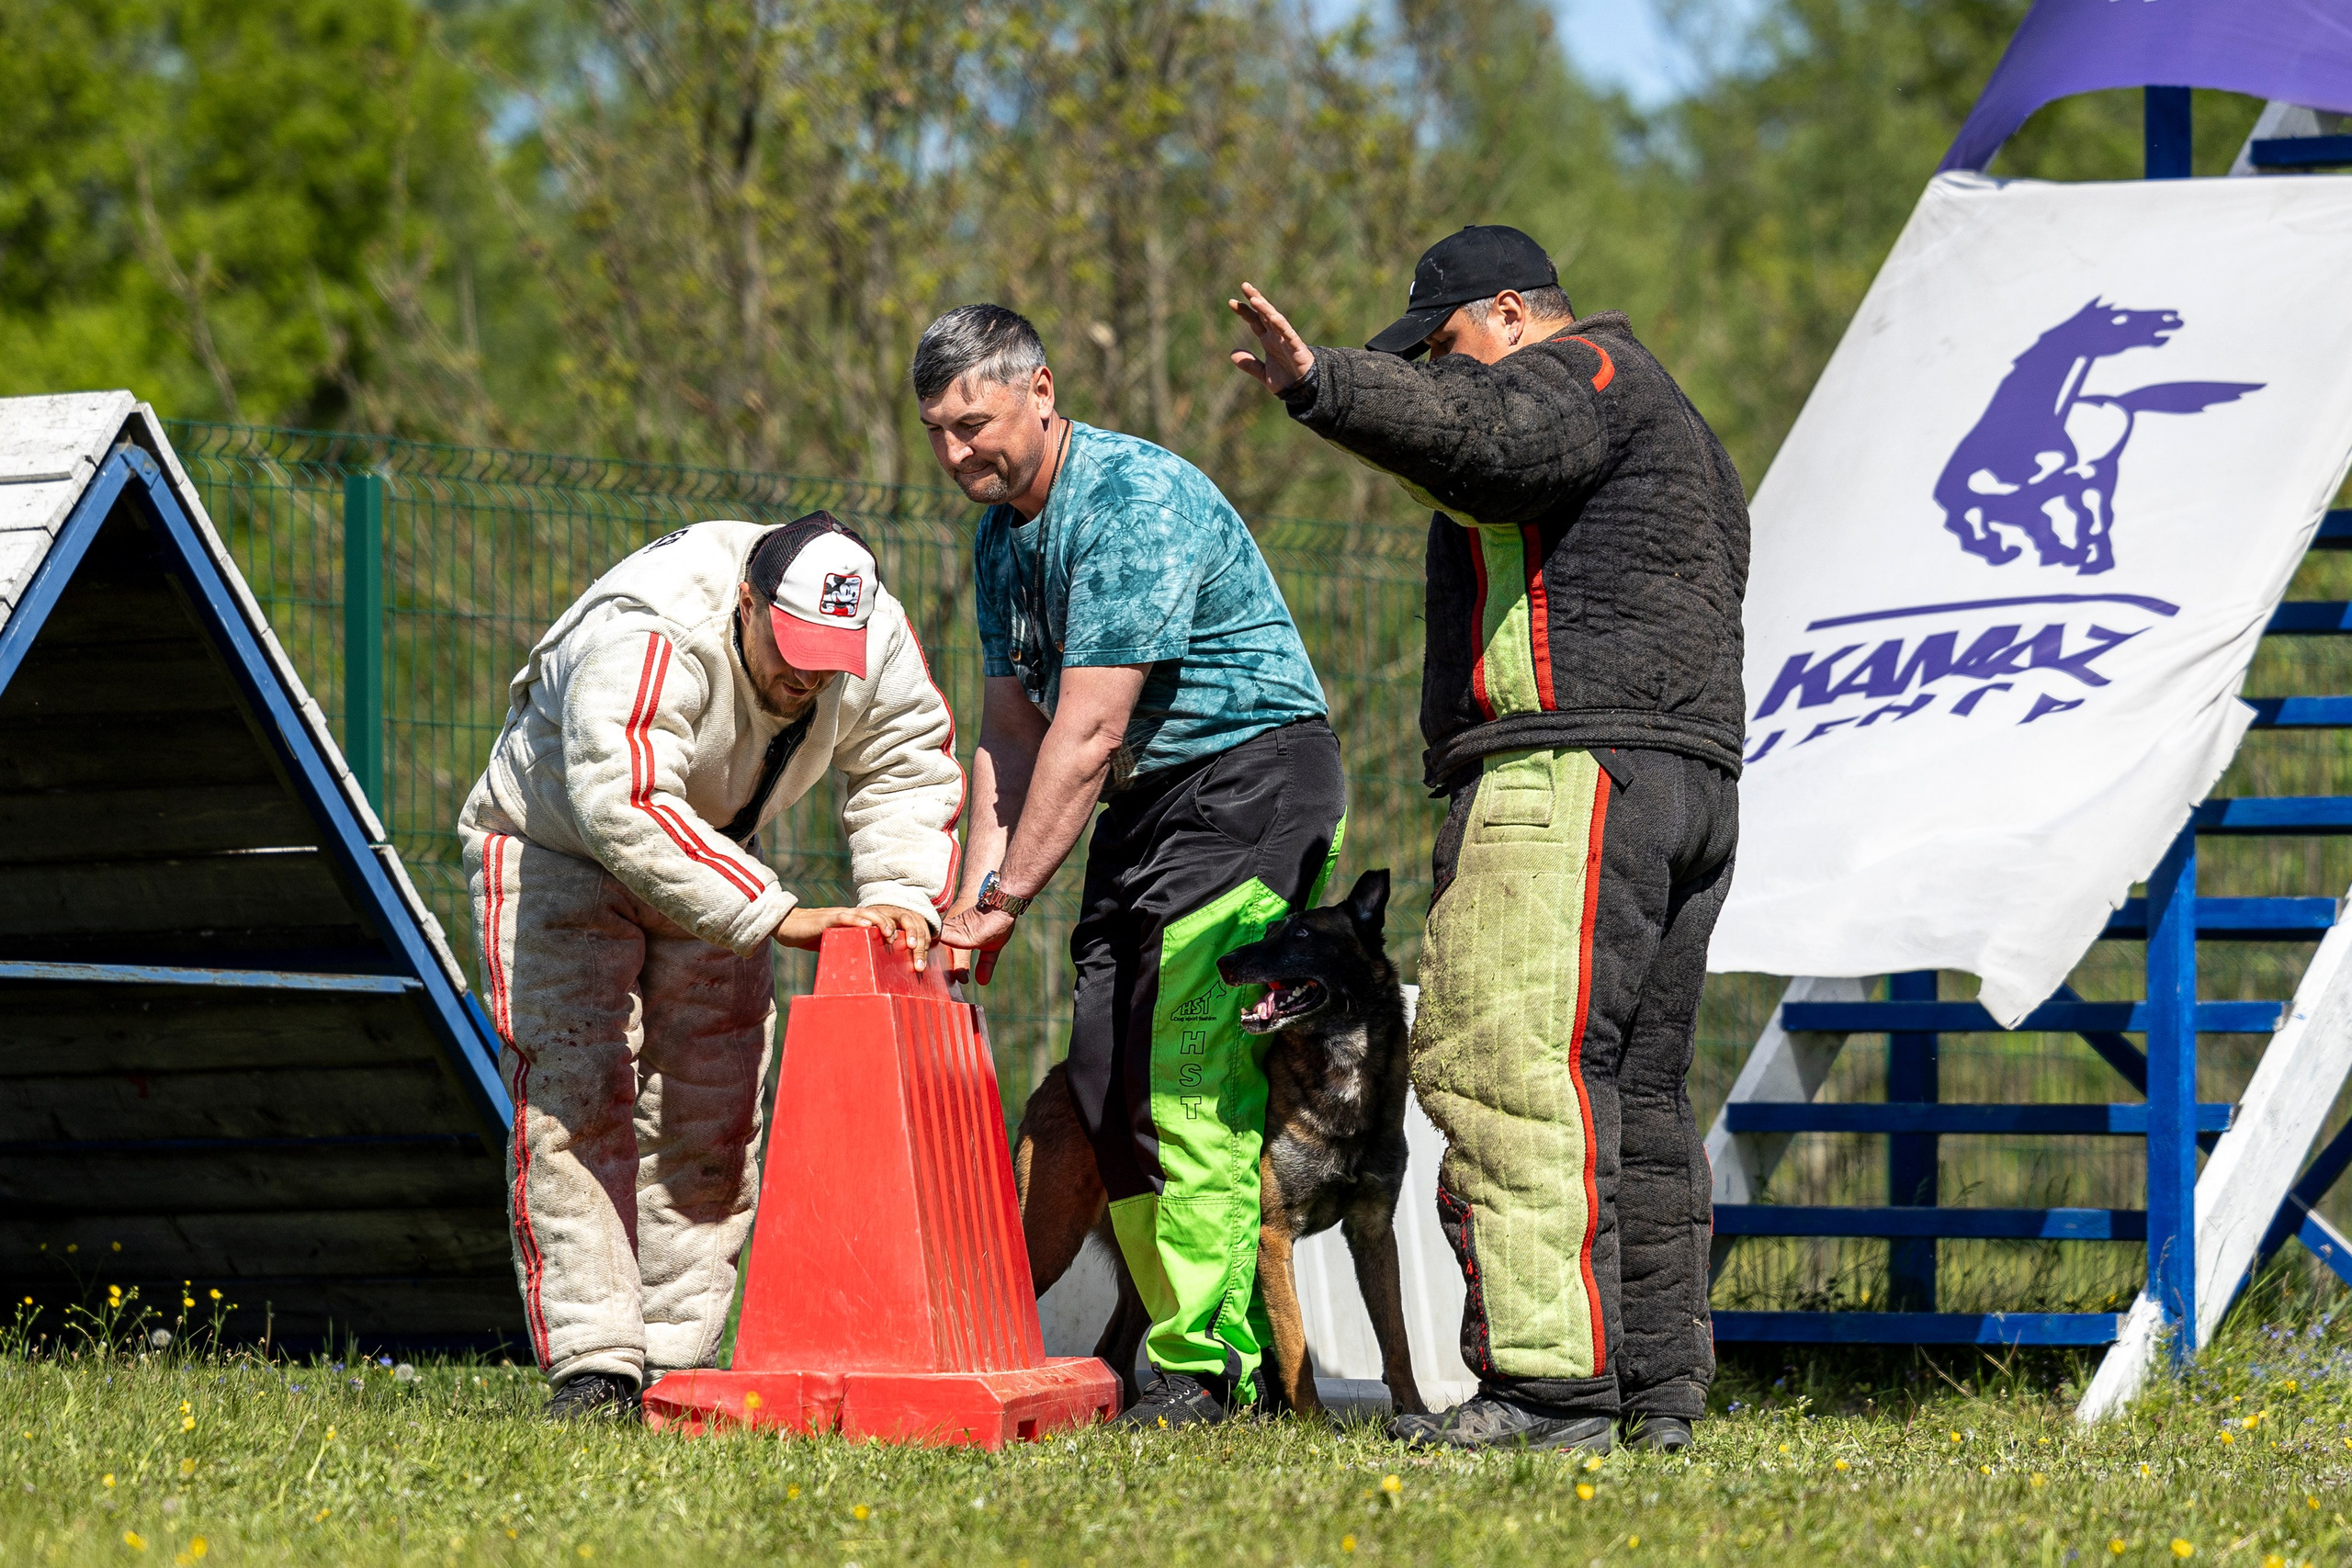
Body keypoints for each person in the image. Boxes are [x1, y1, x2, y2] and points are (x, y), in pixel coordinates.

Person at [1229, 225, 1748, 1453]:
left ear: (1514, 312)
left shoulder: (1580, 380)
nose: (1445, 373)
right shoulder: (1675, 427)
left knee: (1506, 1070)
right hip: (1684, 779)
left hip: (1571, 771)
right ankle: (1654, 1387)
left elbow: (1485, 439)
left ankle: (1548, 1387)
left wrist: (1328, 384)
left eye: (1450, 344)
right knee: (1627, 1095)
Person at [911, 303, 1341, 1428]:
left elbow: (1088, 733)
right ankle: (1178, 1344)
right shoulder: (1002, 538)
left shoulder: (1128, 501)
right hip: (1152, 805)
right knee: (1103, 1087)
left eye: (976, 422)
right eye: (938, 434)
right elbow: (1010, 732)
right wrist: (968, 901)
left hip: (1252, 777)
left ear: (1042, 391)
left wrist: (1007, 900)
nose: (959, 454)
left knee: (1186, 1076)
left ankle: (1209, 1372)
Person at [458, 513, 963, 1420]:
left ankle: (672, 1370)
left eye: (829, 656)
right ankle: (594, 1369)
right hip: (558, 842)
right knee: (576, 1101)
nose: (807, 674)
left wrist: (899, 891)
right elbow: (626, 802)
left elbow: (903, 756)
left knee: (711, 1117)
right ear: (746, 601)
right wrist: (774, 913)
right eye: (791, 645)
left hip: (718, 844)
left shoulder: (871, 632)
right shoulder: (646, 627)